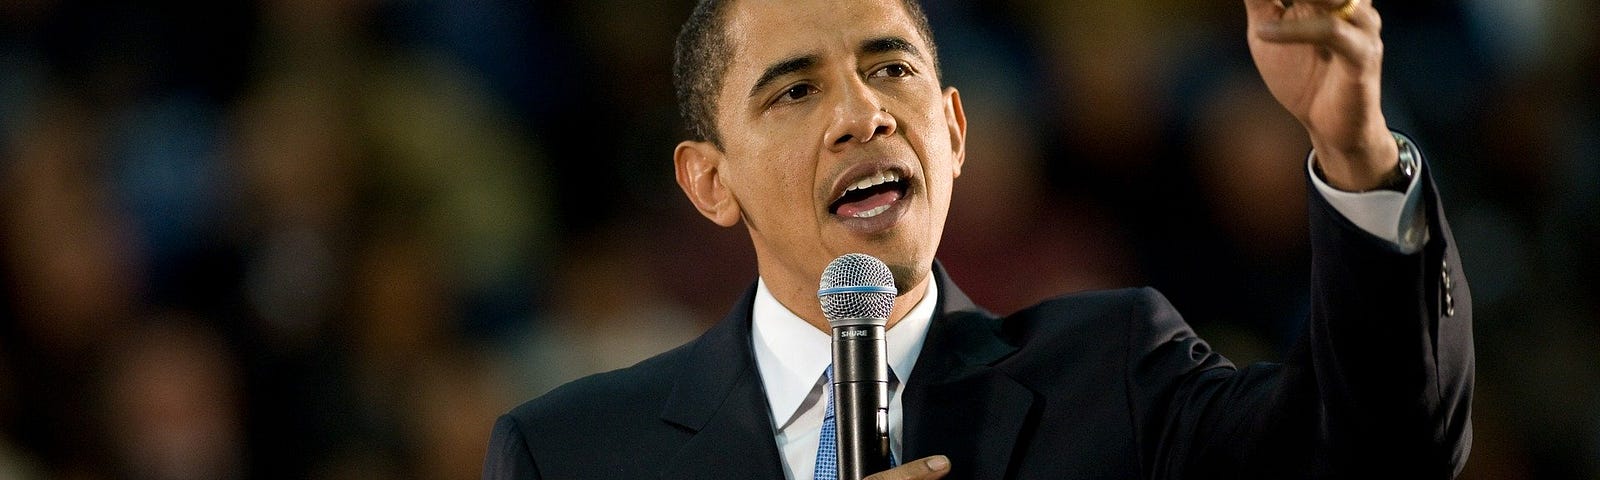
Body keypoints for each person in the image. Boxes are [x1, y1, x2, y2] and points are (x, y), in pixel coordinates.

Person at [484, 0, 1473, 478]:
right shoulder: (573, 454)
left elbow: (1381, 451)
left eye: (890, 70)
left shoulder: (1114, 375)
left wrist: (1353, 149)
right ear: (710, 181)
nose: (863, 114)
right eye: (795, 89)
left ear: (953, 134)